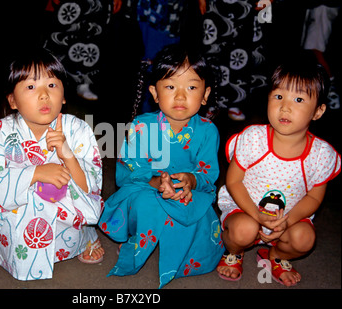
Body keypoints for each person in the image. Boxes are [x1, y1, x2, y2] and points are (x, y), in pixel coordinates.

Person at [0, 48, 105, 281]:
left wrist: (67, 155)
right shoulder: (2, 132)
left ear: (63, 96)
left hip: (65, 206)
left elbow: (90, 187)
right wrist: (34, 174)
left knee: (77, 211)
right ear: (12, 100)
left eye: (52, 86)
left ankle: (85, 238)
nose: (43, 95)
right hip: (18, 207)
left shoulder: (78, 129)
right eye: (31, 87)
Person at [99, 44, 225, 288]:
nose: (180, 96)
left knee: (193, 212)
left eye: (191, 87)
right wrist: (157, 182)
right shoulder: (141, 126)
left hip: (187, 191)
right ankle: (138, 236)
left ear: (205, 94)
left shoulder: (208, 131)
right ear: (155, 94)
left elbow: (209, 172)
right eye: (170, 86)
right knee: (147, 206)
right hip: (145, 187)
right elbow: (130, 170)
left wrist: (191, 180)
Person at [216, 59, 341, 286]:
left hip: (289, 218)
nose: (285, 107)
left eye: (299, 99)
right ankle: (234, 250)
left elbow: (314, 197)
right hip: (244, 208)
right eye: (278, 96)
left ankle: (276, 256)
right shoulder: (254, 138)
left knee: (305, 240)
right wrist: (256, 214)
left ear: (318, 111)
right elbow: (233, 181)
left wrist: (287, 221)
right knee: (243, 231)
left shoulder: (321, 155)